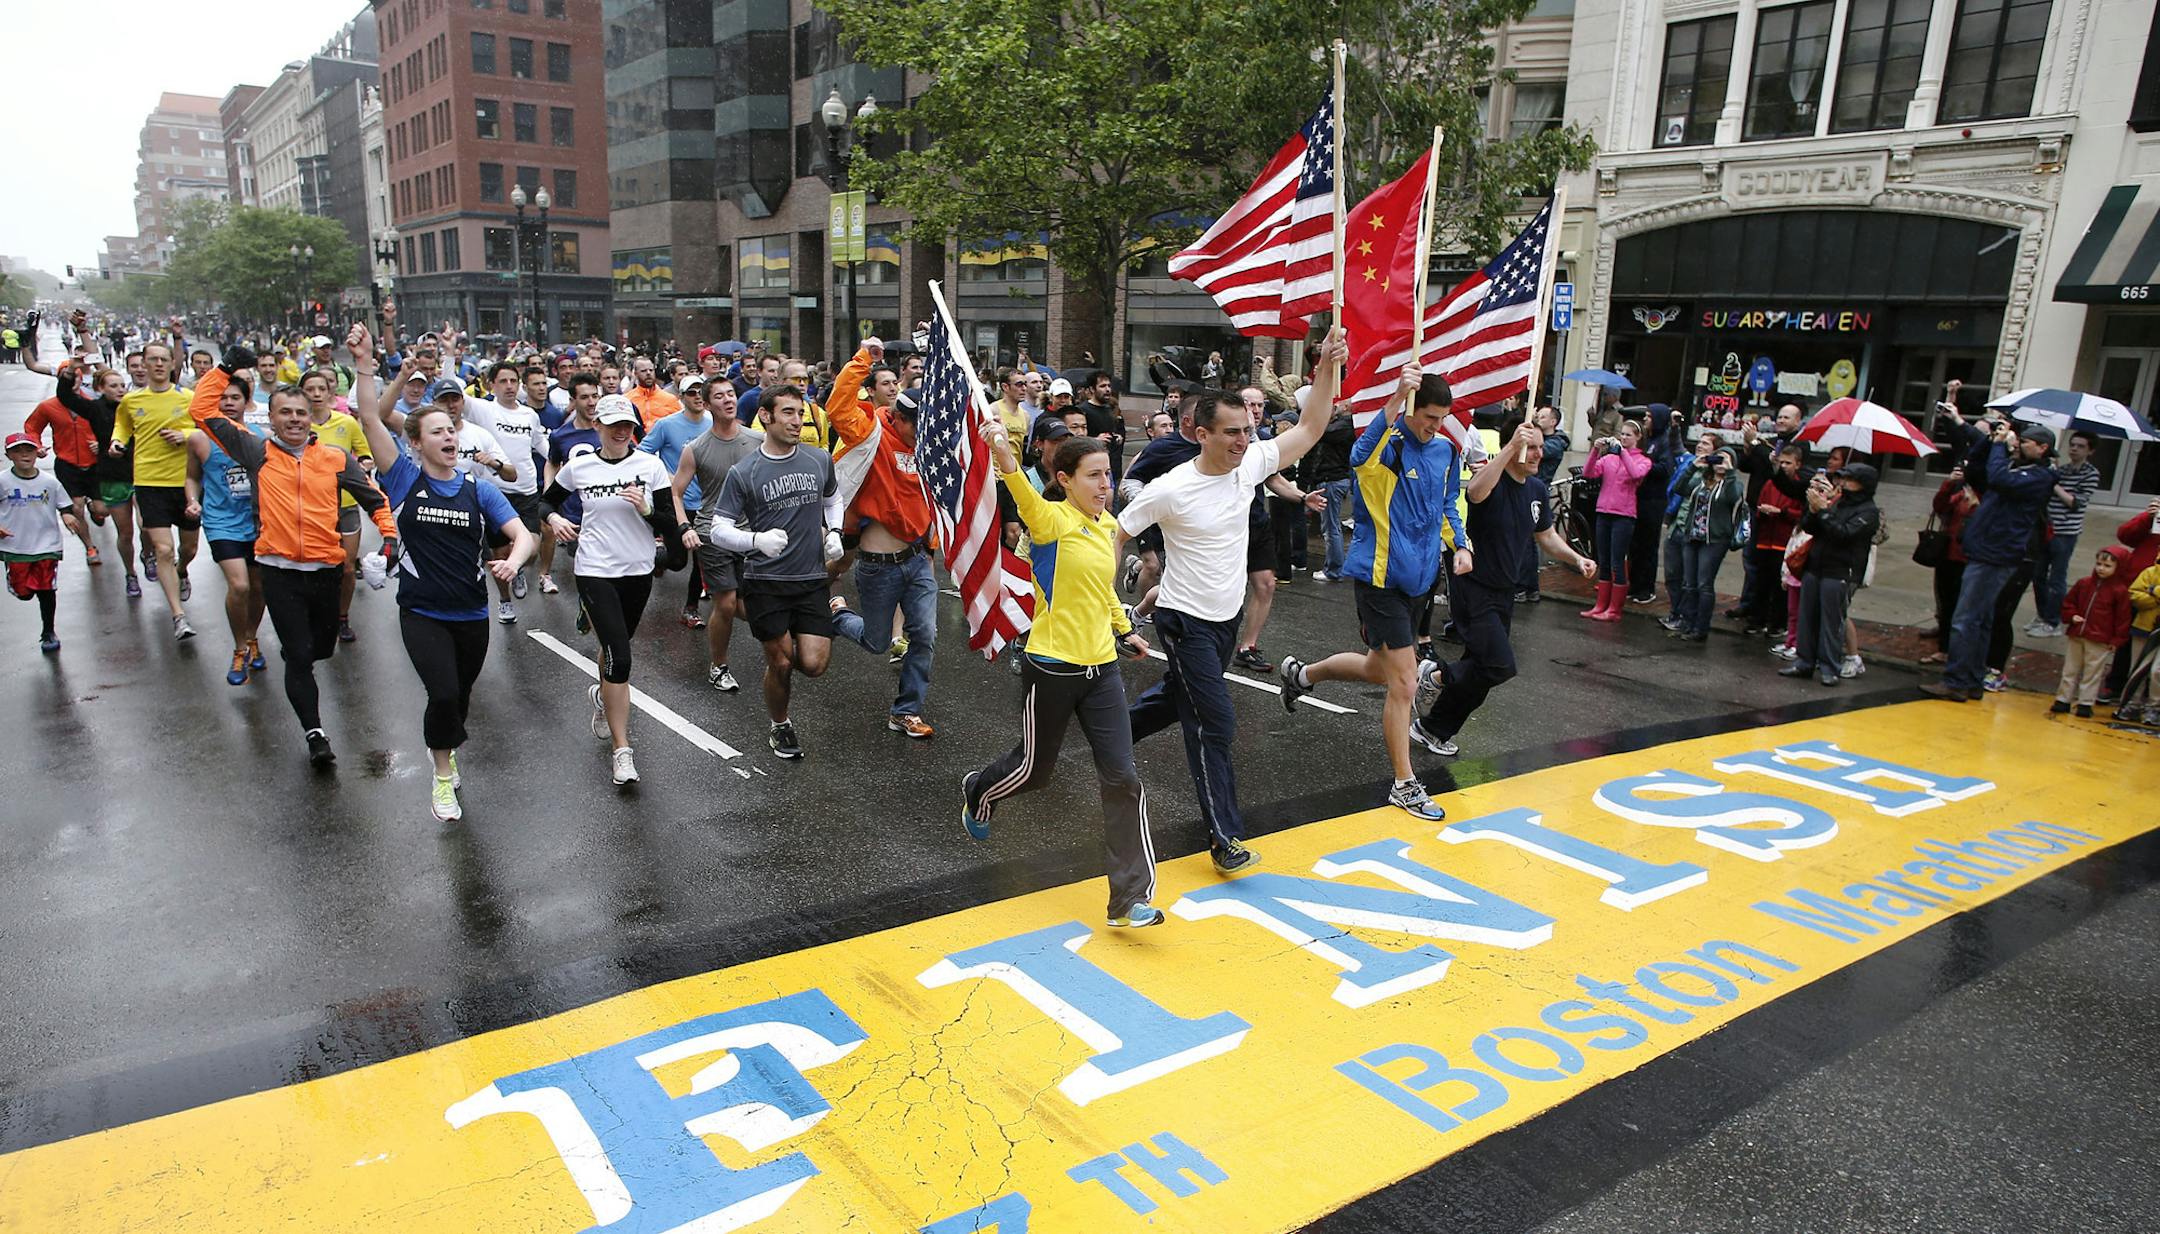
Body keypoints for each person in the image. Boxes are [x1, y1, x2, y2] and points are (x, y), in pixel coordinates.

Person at [1117, 329, 1344, 872]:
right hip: (1183, 620)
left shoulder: (1252, 463)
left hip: (1225, 617)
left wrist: (1327, 366)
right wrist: (1108, 606)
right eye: (1231, 433)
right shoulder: (1170, 487)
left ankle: (1107, 733)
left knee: (1179, 699)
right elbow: (1116, 533)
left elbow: (1312, 425)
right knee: (1213, 721)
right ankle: (1223, 838)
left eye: (1248, 430)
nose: (1243, 441)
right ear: (1200, 434)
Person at [960, 417, 1162, 927]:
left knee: (1123, 778)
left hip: (1103, 670)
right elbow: (1023, 494)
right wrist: (1004, 454)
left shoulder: (1108, 527)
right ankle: (979, 791)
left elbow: (1102, 591)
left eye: (1108, 476)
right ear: (1066, 479)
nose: (1104, 486)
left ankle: (1129, 898)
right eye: (1093, 476)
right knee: (1035, 770)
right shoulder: (1051, 521)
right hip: (1051, 667)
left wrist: (1123, 627)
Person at [187, 350, 399, 767]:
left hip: (326, 570)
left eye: (301, 412)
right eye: (285, 413)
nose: (295, 419)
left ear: (311, 414)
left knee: (321, 650)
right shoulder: (256, 451)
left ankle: (300, 653)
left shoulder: (335, 458)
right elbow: (200, 409)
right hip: (278, 571)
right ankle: (315, 733)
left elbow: (375, 500)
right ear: (271, 417)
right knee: (300, 657)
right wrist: (227, 367)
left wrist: (389, 540)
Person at [1276, 364, 1466, 820]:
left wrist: (1460, 544)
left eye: (1441, 419)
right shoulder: (1388, 447)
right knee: (1403, 681)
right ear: (1411, 410)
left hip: (1421, 580)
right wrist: (1397, 398)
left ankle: (1301, 675)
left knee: (1379, 670)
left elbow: (1447, 504)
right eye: (1428, 417)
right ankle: (1404, 784)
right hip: (1379, 579)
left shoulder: (1445, 450)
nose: (1434, 427)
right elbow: (1359, 456)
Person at [377, 401, 538, 821]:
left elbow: (523, 535)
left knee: (461, 696)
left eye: (451, 430)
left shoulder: (477, 488)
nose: (449, 437)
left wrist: (514, 562)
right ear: (415, 442)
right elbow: (369, 417)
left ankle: (444, 745)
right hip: (421, 611)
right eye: (437, 432)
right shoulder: (404, 481)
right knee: (443, 692)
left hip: (470, 614)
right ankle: (443, 776)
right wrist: (361, 366)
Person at [541, 395, 680, 786]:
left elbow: (669, 521)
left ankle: (603, 697)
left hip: (637, 570)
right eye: (614, 424)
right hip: (594, 569)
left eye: (628, 425)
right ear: (597, 426)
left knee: (615, 646)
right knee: (620, 655)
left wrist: (648, 510)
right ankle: (623, 751)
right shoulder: (580, 467)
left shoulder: (650, 466)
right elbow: (545, 502)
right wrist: (554, 518)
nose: (622, 431)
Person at [706, 386, 842, 759]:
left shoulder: (818, 459)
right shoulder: (745, 471)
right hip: (766, 580)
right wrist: (756, 540)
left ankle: (816, 627)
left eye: (801, 414)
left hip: (811, 578)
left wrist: (836, 532)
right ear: (766, 416)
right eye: (788, 413)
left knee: (813, 665)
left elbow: (833, 499)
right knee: (780, 662)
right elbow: (718, 528)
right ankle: (780, 725)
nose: (797, 421)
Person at [824, 341, 941, 738]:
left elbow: (929, 499)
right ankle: (838, 615)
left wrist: (931, 547)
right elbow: (838, 406)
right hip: (877, 568)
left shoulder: (925, 447)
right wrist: (863, 358)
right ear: (898, 418)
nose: (921, 436)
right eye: (916, 427)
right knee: (876, 644)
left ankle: (905, 711)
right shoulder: (869, 431)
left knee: (924, 635)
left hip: (916, 561)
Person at [1924, 416, 2058, 701]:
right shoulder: (2016, 468)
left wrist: (1999, 446)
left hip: (1996, 553)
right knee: (1981, 620)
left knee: (1966, 618)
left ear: (2043, 448)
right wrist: (1990, 439)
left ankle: (1957, 680)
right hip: (1987, 548)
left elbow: (1999, 478)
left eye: (2025, 442)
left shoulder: (2039, 476)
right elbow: (1975, 469)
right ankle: (1971, 679)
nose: (2018, 444)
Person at [671, 380, 762, 694]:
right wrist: (686, 527)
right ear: (707, 405)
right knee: (725, 602)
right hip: (712, 533)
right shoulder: (695, 448)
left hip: (752, 534)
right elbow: (676, 492)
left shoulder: (757, 440)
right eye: (719, 396)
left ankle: (774, 636)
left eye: (731, 394)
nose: (728, 400)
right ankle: (719, 666)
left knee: (755, 606)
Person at [184, 372, 268, 685]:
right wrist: (192, 501)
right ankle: (239, 648)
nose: (228, 403)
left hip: (257, 523)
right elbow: (192, 477)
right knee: (240, 586)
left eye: (235, 397)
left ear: (247, 401)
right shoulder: (199, 438)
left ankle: (252, 637)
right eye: (222, 397)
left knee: (259, 588)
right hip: (221, 522)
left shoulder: (259, 436)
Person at [1780, 463, 1881, 688]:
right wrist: (1813, 508)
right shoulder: (1836, 502)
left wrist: (1823, 511)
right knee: (1807, 616)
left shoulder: (1868, 511)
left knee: (1831, 620)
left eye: (1848, 479)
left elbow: (1843, 534)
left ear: (1863, 484)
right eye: (1841, 478)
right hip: (1815, 566)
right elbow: (1810, 527)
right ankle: (1804, 662)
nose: (1842, 483)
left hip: (1840, 571)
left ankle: (1829, 666)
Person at [299, 368, 379, 641]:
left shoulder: (347, 422)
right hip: (309, 509)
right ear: (302, 394)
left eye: (322, 389)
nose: (317, 394)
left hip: (345, 505)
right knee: (316, 567)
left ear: (331, 392)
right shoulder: (297, 426)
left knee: (346, 567)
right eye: (310, 389)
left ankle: (342, 617)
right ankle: (315, 615)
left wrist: (363, 465)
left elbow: (366, 454)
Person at [637, 373, 713, 626]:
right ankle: (661, 558)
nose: (697, 397)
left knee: (701, 559)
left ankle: (691, 609)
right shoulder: (667, 425)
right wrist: (667, 474)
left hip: (705, 503)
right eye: (691, 392)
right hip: (677, 501)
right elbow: (642, 453)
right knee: (679, 561)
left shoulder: (713, 422)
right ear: (681, 397)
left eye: (701, 391)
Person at [1, 432, 79, 653]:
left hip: (47, 545)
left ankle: (48, 632)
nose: (24, 454)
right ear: (8, 455)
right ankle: (21, 588)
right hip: (15, 545)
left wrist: (67, 515)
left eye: (29, 450)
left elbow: (64, 504)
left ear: (37, 453)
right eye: (17, 451)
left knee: (46, 589)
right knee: (24, 592)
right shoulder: (3, 481)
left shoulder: (49, 482)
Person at [2026, 430, 2101, 637]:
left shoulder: (2090, 473)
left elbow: (2075, 503)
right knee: (2038, 575)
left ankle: (2053, 621)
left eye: (2080, 446)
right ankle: (2043, 614)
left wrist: (2055, 485)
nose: (2074, 449)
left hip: (2066, 532)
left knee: (2056, 578)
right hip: (2047, 528)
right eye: (2072, 445)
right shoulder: (2062, 470)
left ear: (2090, 451)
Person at [1579, 418, 1651, 621]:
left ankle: (1614, 609)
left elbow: (1636, 474)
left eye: (1629, 435)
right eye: (1623, 434)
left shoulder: (1643, 460)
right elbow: (1588, 473)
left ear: (1638, 437)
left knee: (1617, 562)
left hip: (1624, 515)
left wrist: (1623, 453)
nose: (1624, 437)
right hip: (1604, 512)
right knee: (1604, 560)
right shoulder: (1609, 459)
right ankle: (1600, 605)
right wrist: (1595, 451)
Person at [1672, 446, 1746, 642]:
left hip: (1714, 540)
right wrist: (1693, 467)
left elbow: (1734, 498)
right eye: (1718, 459)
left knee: (1704, 584)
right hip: (1693, 536)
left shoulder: (1733, 484)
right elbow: (1679, 489)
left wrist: (1729, 472)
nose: (1720, 463)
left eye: (1726, 460)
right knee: (1689, 583)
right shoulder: (1701, 480)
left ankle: (1700, 628)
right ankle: (1687, 622)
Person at [2051, 546, 2132, 718]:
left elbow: (2122, 618)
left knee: (2093, 672)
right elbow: (2068, 603)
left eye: (2107, 565)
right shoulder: (2084, 584)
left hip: (2100, 639)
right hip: (2077, 634)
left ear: (2119, 568)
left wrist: (2117, 640)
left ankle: (2085, 703)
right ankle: (2063, 699)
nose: (2101, 568)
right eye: (2099, 564)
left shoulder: (2120, 591)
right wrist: (2072, 616)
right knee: (2070, 668)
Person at [1919, 465, 1979, 665]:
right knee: (1945, 602)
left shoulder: (1985, 493)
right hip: (1947, 552)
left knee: (1959, 605)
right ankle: (1944, 647)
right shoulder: (1958, 488)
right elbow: (1940, 506)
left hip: (1967, 556)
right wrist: (1949, 483)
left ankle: (1956, 650)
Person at [626, 355, 682, 432]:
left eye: (651, 370)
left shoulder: (670, 399)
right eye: (643, 371)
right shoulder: (627, 400)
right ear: (635, 374)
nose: (648, 373)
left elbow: (679, 425)